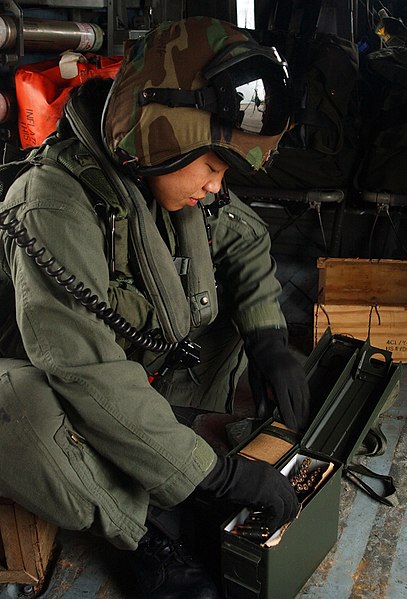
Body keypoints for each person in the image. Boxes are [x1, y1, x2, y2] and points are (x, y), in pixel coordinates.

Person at [0, 16, 310, 599]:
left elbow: (246, 240)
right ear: (165, 133)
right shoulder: (53, 203)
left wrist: (269, 339)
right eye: (214, 168)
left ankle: (177, 470)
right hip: (36, 369)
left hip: (118, 370)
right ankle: (138, 535)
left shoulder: (162, 182)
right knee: (28, 414)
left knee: (226, 322)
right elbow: (83, 370)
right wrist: (217, 475)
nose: (216, 187)